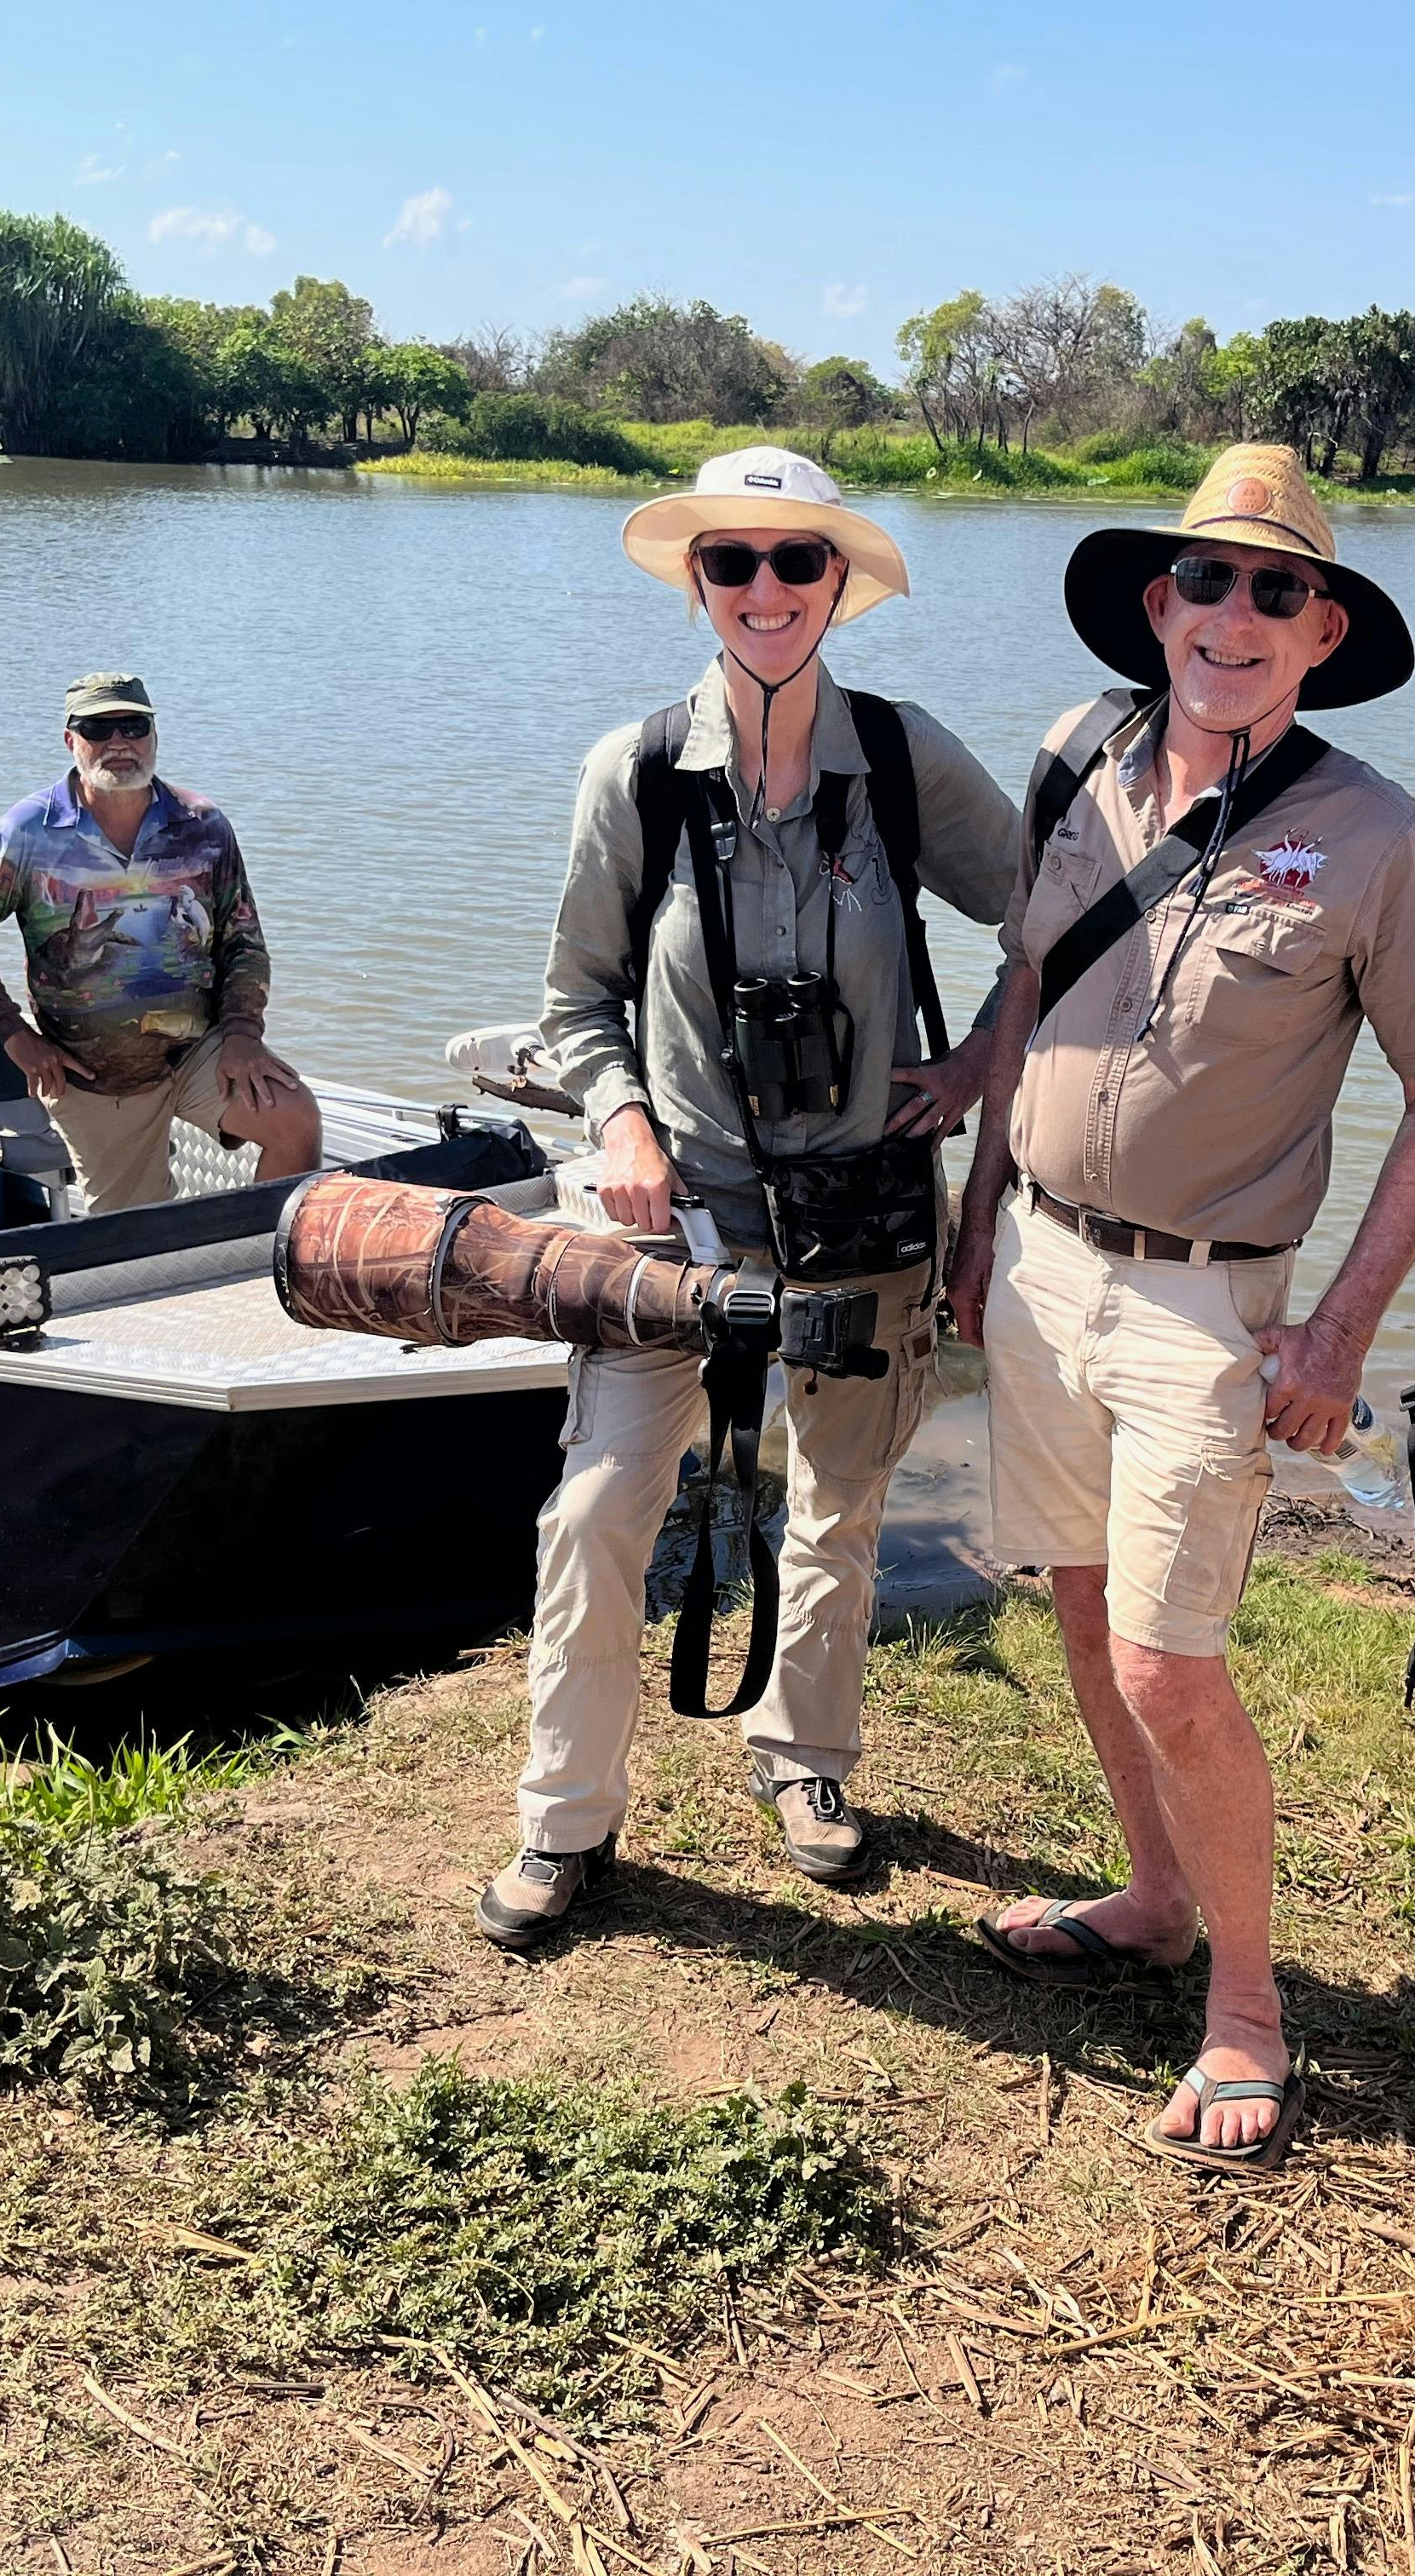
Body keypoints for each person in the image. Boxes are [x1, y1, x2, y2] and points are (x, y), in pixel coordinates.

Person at [946, 445, 1415, 2171]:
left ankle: (1248, 2009)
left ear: (1324, 628)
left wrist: (1334, 1336)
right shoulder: (1069, 755)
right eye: (1204, 582)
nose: (1232, 616)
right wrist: (977, 1225)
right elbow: (1026, 986)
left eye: (1275, 591)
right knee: (1083, 1600)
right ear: (1153, 605)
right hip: (1037, 1261)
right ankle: (1157, 1904)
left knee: (1170, 1666)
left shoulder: (1379, 839)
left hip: (1209, 1308)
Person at [491, 446, 1023, 1946]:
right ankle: (565, 1816)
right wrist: (621, 1119)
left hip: (861, 1214)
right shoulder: (635, 773)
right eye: (733, 562)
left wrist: (980, 1054)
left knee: (838, 1507)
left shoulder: (908, 763)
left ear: (839, 583)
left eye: (798, 561)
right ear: (695, 585)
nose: (767, 590)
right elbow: (575, 1000)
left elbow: (1057, 913)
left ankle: (804, 1763)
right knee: (597, 1510)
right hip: (674, 1223)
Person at [0, 674, 320, 1213]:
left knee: (294, 1118)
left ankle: (264, 1266)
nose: (119, 743)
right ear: (71, 740)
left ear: (154, 734)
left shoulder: (203, 826)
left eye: (133, 726)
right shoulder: (26, 833)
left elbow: (244, 943)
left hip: (198, 1051)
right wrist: (15, 1035)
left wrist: (243, 1035)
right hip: (92, 1075)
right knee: (134, 1239)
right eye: (98, 728)